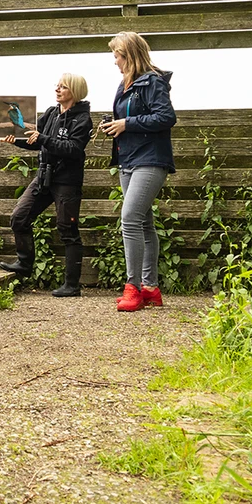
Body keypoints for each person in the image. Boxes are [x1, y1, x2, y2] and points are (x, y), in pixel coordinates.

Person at [98, 31, 176, 312]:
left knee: (129, 218)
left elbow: (166, 117)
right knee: (144, 223)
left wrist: (127, 124)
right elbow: (130, 119)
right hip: (127, 159)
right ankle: (150, 289)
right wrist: (113, 125)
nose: (115, 61)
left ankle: (132, 288)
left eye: (117, 56)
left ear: (129, 55)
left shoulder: (153, 81)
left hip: (151, 160)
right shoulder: (124, 85)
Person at [0, 74, 94, 297]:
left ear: (75, 91)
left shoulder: (82, 119)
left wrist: (43, 139)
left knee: (67, 229)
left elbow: (73, 149)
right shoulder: (50, 113)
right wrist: (16, 141)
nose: (57, 89)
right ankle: (25, 263)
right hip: (44, 176)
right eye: (57, 86)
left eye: (63, 87)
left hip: (67, 181)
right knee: (19, 217)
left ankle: (72, 285)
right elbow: (35, 141)